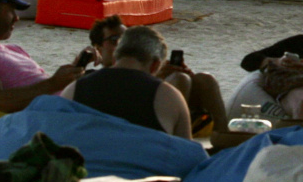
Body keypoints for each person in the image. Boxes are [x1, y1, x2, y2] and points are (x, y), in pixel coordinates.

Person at [83, 15, 227, 132]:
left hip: (172, 114)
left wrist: (185, 75)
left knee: (204, 79)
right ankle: (170, 140)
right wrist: (153, 78)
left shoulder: (146, 67)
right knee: (180, 79)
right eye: (115, 40)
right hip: (141, 125)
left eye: (126, 39)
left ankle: (223, 137)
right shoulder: (92, 78)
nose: (122, 44)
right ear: (99, 48)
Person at [62, 26, 193, 138]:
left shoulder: (74, 89)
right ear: (155, 65)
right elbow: (187, 153)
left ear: (115, 58)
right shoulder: (168, 96)